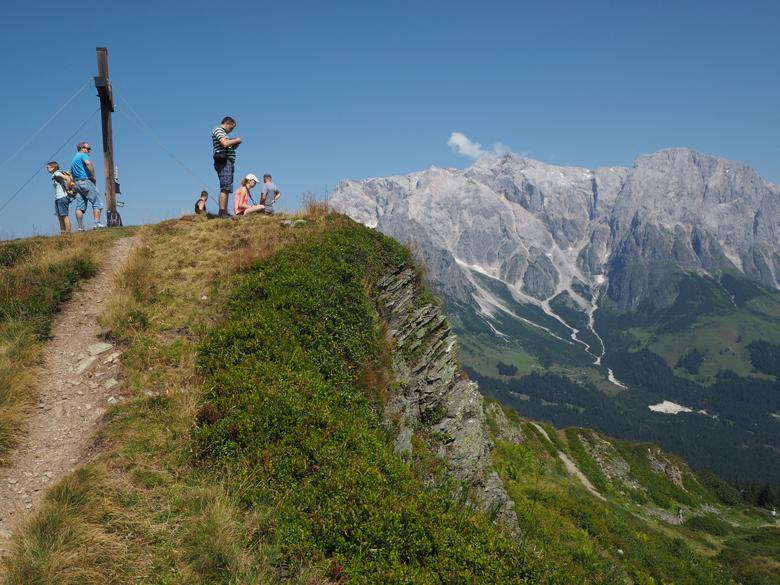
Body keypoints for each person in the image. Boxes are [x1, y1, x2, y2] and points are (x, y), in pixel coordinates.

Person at [212, 116, 242, 218]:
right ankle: (222, 212)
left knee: (227, 187)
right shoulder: (218, 130)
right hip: (224, 161)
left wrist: (235, 143)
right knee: (225, 187)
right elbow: (224, 143)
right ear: (227, 123)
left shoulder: (223, 133)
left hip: (227, 162)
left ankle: (224, 211)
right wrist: (236, 139)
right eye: (231, 128)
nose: (231, 130)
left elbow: (228, 145)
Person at [70, 142, 104, 230]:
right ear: (82, 148)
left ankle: (80, 227)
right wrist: (93, 176)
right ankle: (97, 223)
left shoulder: (74, 158)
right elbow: (88, 163)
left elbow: (71, 174)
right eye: (88, 148)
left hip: (77, 183)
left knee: (79, 206)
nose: (89, 151)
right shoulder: (83, 155)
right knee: (97, 201)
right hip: (85, 181)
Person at [47, 161, 71, 235]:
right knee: (60, 216)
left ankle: (67, 233)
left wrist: (68, 188)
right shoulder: (54, 175)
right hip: (58, 198)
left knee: (64, 216)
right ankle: (63, 233)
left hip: (62, 197)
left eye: (48, 167)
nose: (47, 169)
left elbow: (67, 178)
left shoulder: (57, 173)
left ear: (53, 167)